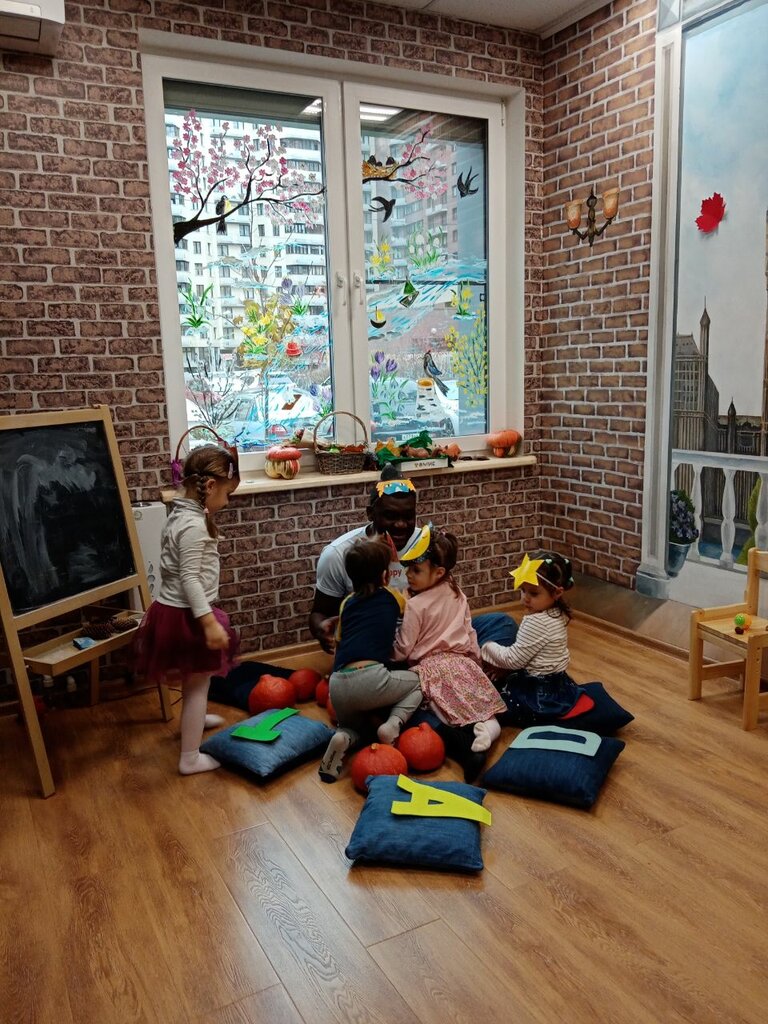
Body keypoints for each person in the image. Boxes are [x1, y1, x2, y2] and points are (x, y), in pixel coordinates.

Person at [308, 467, 517, 654]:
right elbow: (319, 613)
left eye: (408, 516)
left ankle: (455, 673)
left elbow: (447, 597)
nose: (400, 525)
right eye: (390, 516)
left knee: (502, 623)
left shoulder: (427, 544)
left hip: (430, 637)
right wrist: (322, 630)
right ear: (371, 513)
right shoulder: (338, 554)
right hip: (381, 647)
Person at [134, 443, 240, 775]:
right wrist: (208, 623)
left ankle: (195, 716)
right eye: (227, 494)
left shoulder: (179, 514)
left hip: (169, 609)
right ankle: (190, 757)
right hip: (188, 615)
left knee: (190, 675)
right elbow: (190, 578)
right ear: (209, 486)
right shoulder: (194, 526)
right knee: (198, 683)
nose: (227, 501)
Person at [392, 525, 506, 777]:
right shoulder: (456, 592)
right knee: (481, 705)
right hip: (462, 661)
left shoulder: (415, 605)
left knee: (440, 710)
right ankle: (487, 730)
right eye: (408, 568)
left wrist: (389, 656)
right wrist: (476, 662)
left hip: (431, 668)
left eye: (416, 570)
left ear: (439, 572)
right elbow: (470, 631)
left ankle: (465, 741)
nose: (408, 575)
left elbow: (404, 647)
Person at [318, 538, 422, 783]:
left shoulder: (346, 604)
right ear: (385, 576)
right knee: (420, 682)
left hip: (338, 684)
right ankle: (392, 725)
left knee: (356, 729)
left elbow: (340, 641)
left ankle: (342, 738)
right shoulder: (393, 598)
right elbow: (409, 604)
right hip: (372, 678)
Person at [480, 550, 584, 724]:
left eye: (534, 593)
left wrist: (486, 645)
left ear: (557, 593)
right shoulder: (557, 613)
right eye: (523, 590)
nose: (525, 599)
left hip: (539, 695)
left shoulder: (536, 622)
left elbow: (512, 660)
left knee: (488, 703)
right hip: (558, 686)